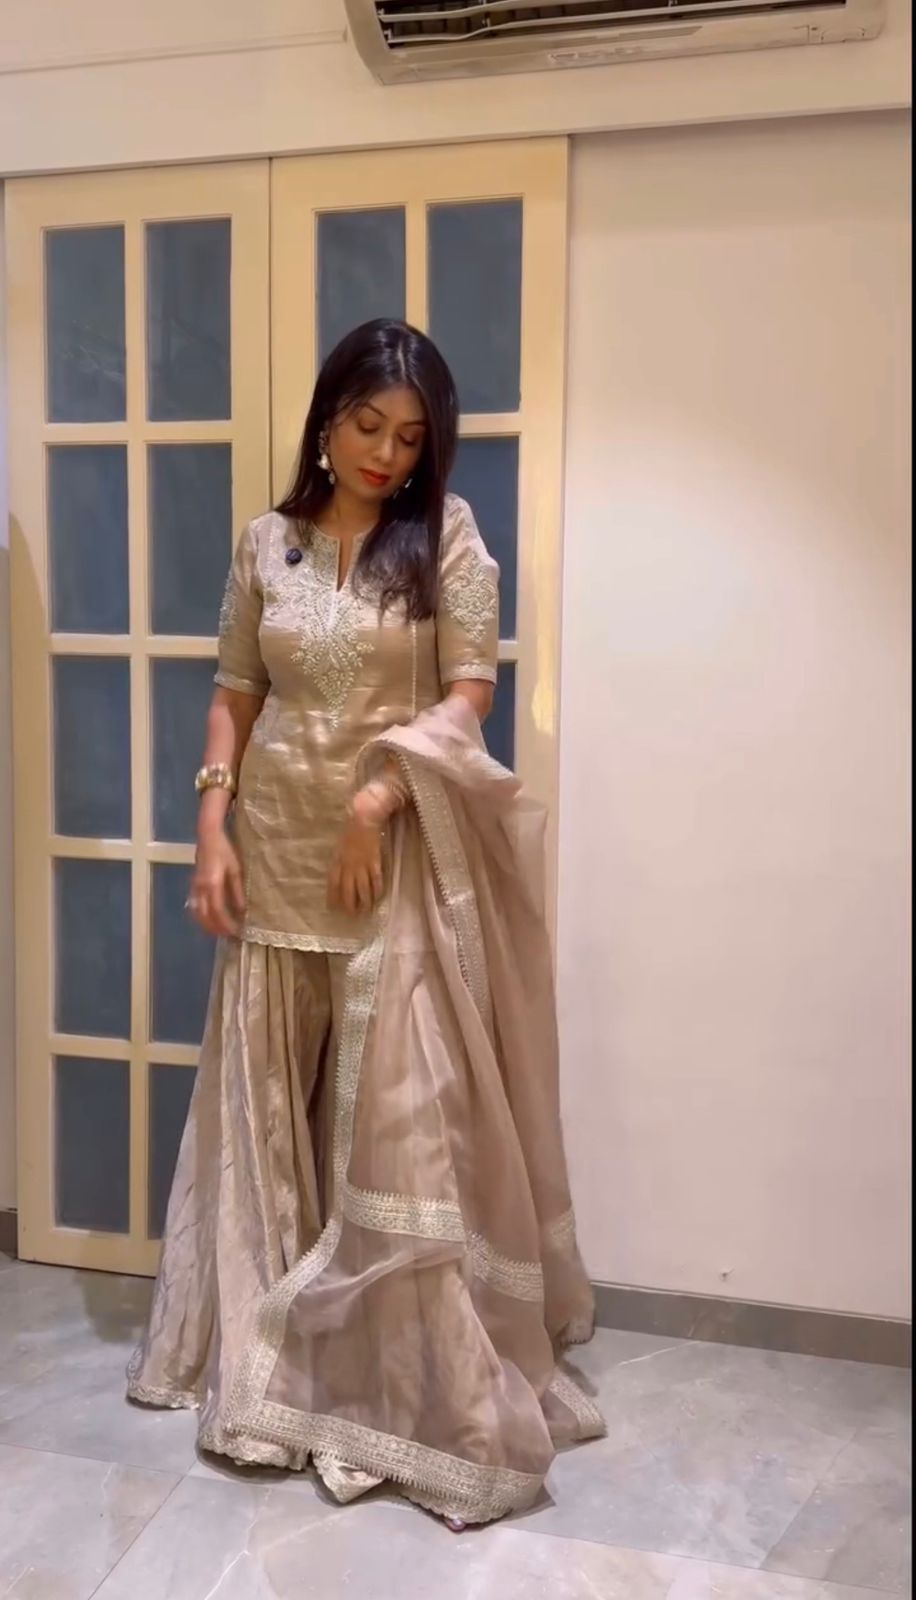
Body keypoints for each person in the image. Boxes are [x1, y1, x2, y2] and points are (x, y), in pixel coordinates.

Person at [128, 318, 604, 1528]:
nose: (387, 454)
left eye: (410, 437)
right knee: (267, 1093)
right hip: (274, 851)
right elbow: (237, 691)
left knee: (398, 1111)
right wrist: (211, 823)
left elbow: (469, 690)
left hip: (387, 859)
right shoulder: (267, 543)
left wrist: (379, 798)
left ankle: (383, 1362)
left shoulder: (444, 538)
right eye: (368, 426)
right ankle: (267, 1346)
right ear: (327, 418)